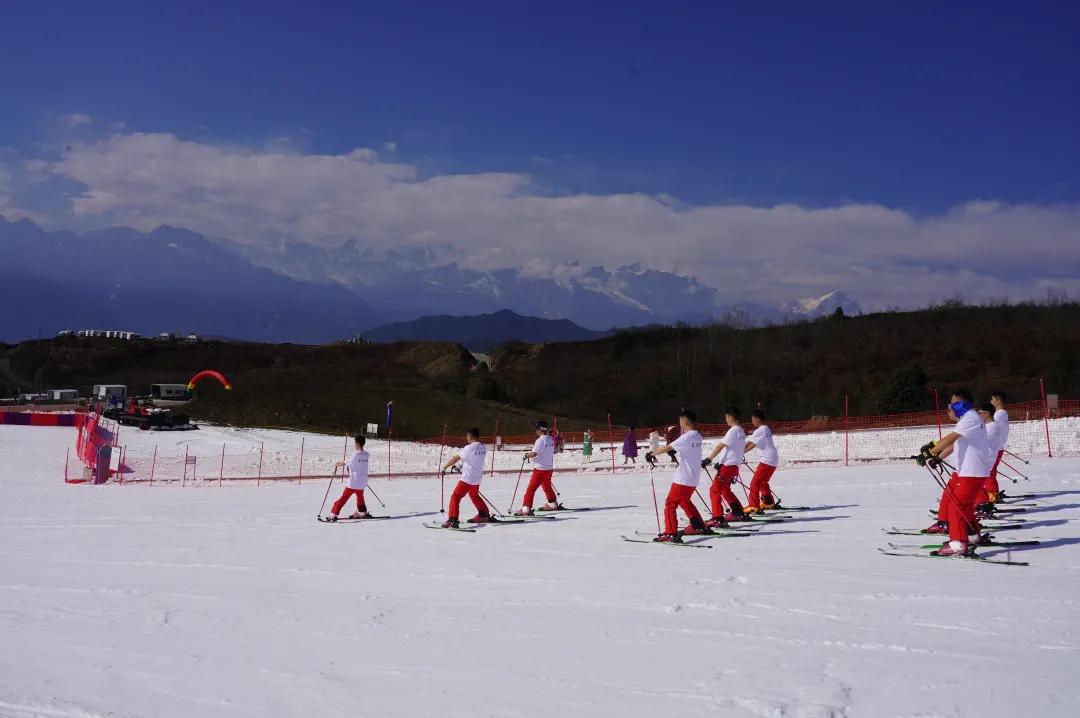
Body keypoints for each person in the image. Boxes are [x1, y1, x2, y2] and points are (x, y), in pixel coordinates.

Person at [925, 389, 994, 557]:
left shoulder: (970, 418)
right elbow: (953, 444)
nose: (951, 408)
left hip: (971, 472)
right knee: (964, 506)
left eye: (954, 404)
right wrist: (937, 456)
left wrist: (929, 452)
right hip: (971, 471)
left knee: (956, 507)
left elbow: (949, 439)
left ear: (962, 404)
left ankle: (957, 544)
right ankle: (972, 535)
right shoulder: (969, 419)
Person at [645, 408, 710, 542]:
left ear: (685, 420)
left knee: (670, 503)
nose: (679, 422)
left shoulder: (686, 436)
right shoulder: (697, 435)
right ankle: (698, 526)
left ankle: (670, 533)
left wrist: (651, 454)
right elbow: (685, 449)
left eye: (680, 420)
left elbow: (668, 447)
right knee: (685, 501)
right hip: (693, 477)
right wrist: (675, 451)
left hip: (684, 478)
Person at [440, 428, 493, 528]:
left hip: (467, 479)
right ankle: (484, 514)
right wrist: (460, 466)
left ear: (471, 436)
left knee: (455, 497)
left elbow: (456, 458)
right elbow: (471, 459)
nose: (466, 437)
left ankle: (453, 520)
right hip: (476, 479)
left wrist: (445, 467)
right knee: (474, 496)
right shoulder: (482, 447)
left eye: (467, 435)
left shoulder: (469, 447)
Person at [702, 406, 746, 523]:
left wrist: (708, 459)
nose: (725, 420)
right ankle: (738, 512)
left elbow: (720, 446)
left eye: (726, 417)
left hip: (728, 466)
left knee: (714, 490)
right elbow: (733, 449)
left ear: (731, 417)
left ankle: (718, 517)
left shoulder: (733, 431)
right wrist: (720, 463)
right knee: (725, 490)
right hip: (733, 466)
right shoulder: (741, 430)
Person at [516, 420, 563, 516]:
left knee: (531, 489)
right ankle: (552, 504)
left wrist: (526, 455)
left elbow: (534, 453)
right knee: (546, 486)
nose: (535, 431)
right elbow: (551, 451)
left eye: (536, 429)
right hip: (549, 469)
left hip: (540, 470)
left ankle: (526, 509)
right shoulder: (550, 439)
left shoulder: (540, 440)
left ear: (539, 430)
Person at [327, 435, 371, 521]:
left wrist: (337, 464)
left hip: (353, 482)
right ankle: (361, 512)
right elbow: (356, 464)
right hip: (362, 482)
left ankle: (334, 514)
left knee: (344, 497)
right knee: (360, 497)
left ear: (357, 444)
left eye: (355, 443)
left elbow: (347, 462)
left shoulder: (355, 454)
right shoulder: (367, 454)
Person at [744, 409, 779, 513]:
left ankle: (753, 506)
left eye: (752, 420)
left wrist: (739, 453)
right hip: (772, 460)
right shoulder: (766, 428)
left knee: (754, 483)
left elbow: (749, 444)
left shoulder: (759, 430)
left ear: (757, 419)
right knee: (762, 482)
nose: (752, 422)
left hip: (767, 460)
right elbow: (752, 443)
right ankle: (768, 502)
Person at [983, 391, 1009, 503]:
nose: (991, 402)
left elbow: (994, 429)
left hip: (995, 447)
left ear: (998, 401)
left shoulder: (999, 414)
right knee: (991, 472)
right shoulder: (1002, 413)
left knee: (989, 472)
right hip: (998, 446)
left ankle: (992, 495)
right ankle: (994, 493)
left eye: (992, 400)